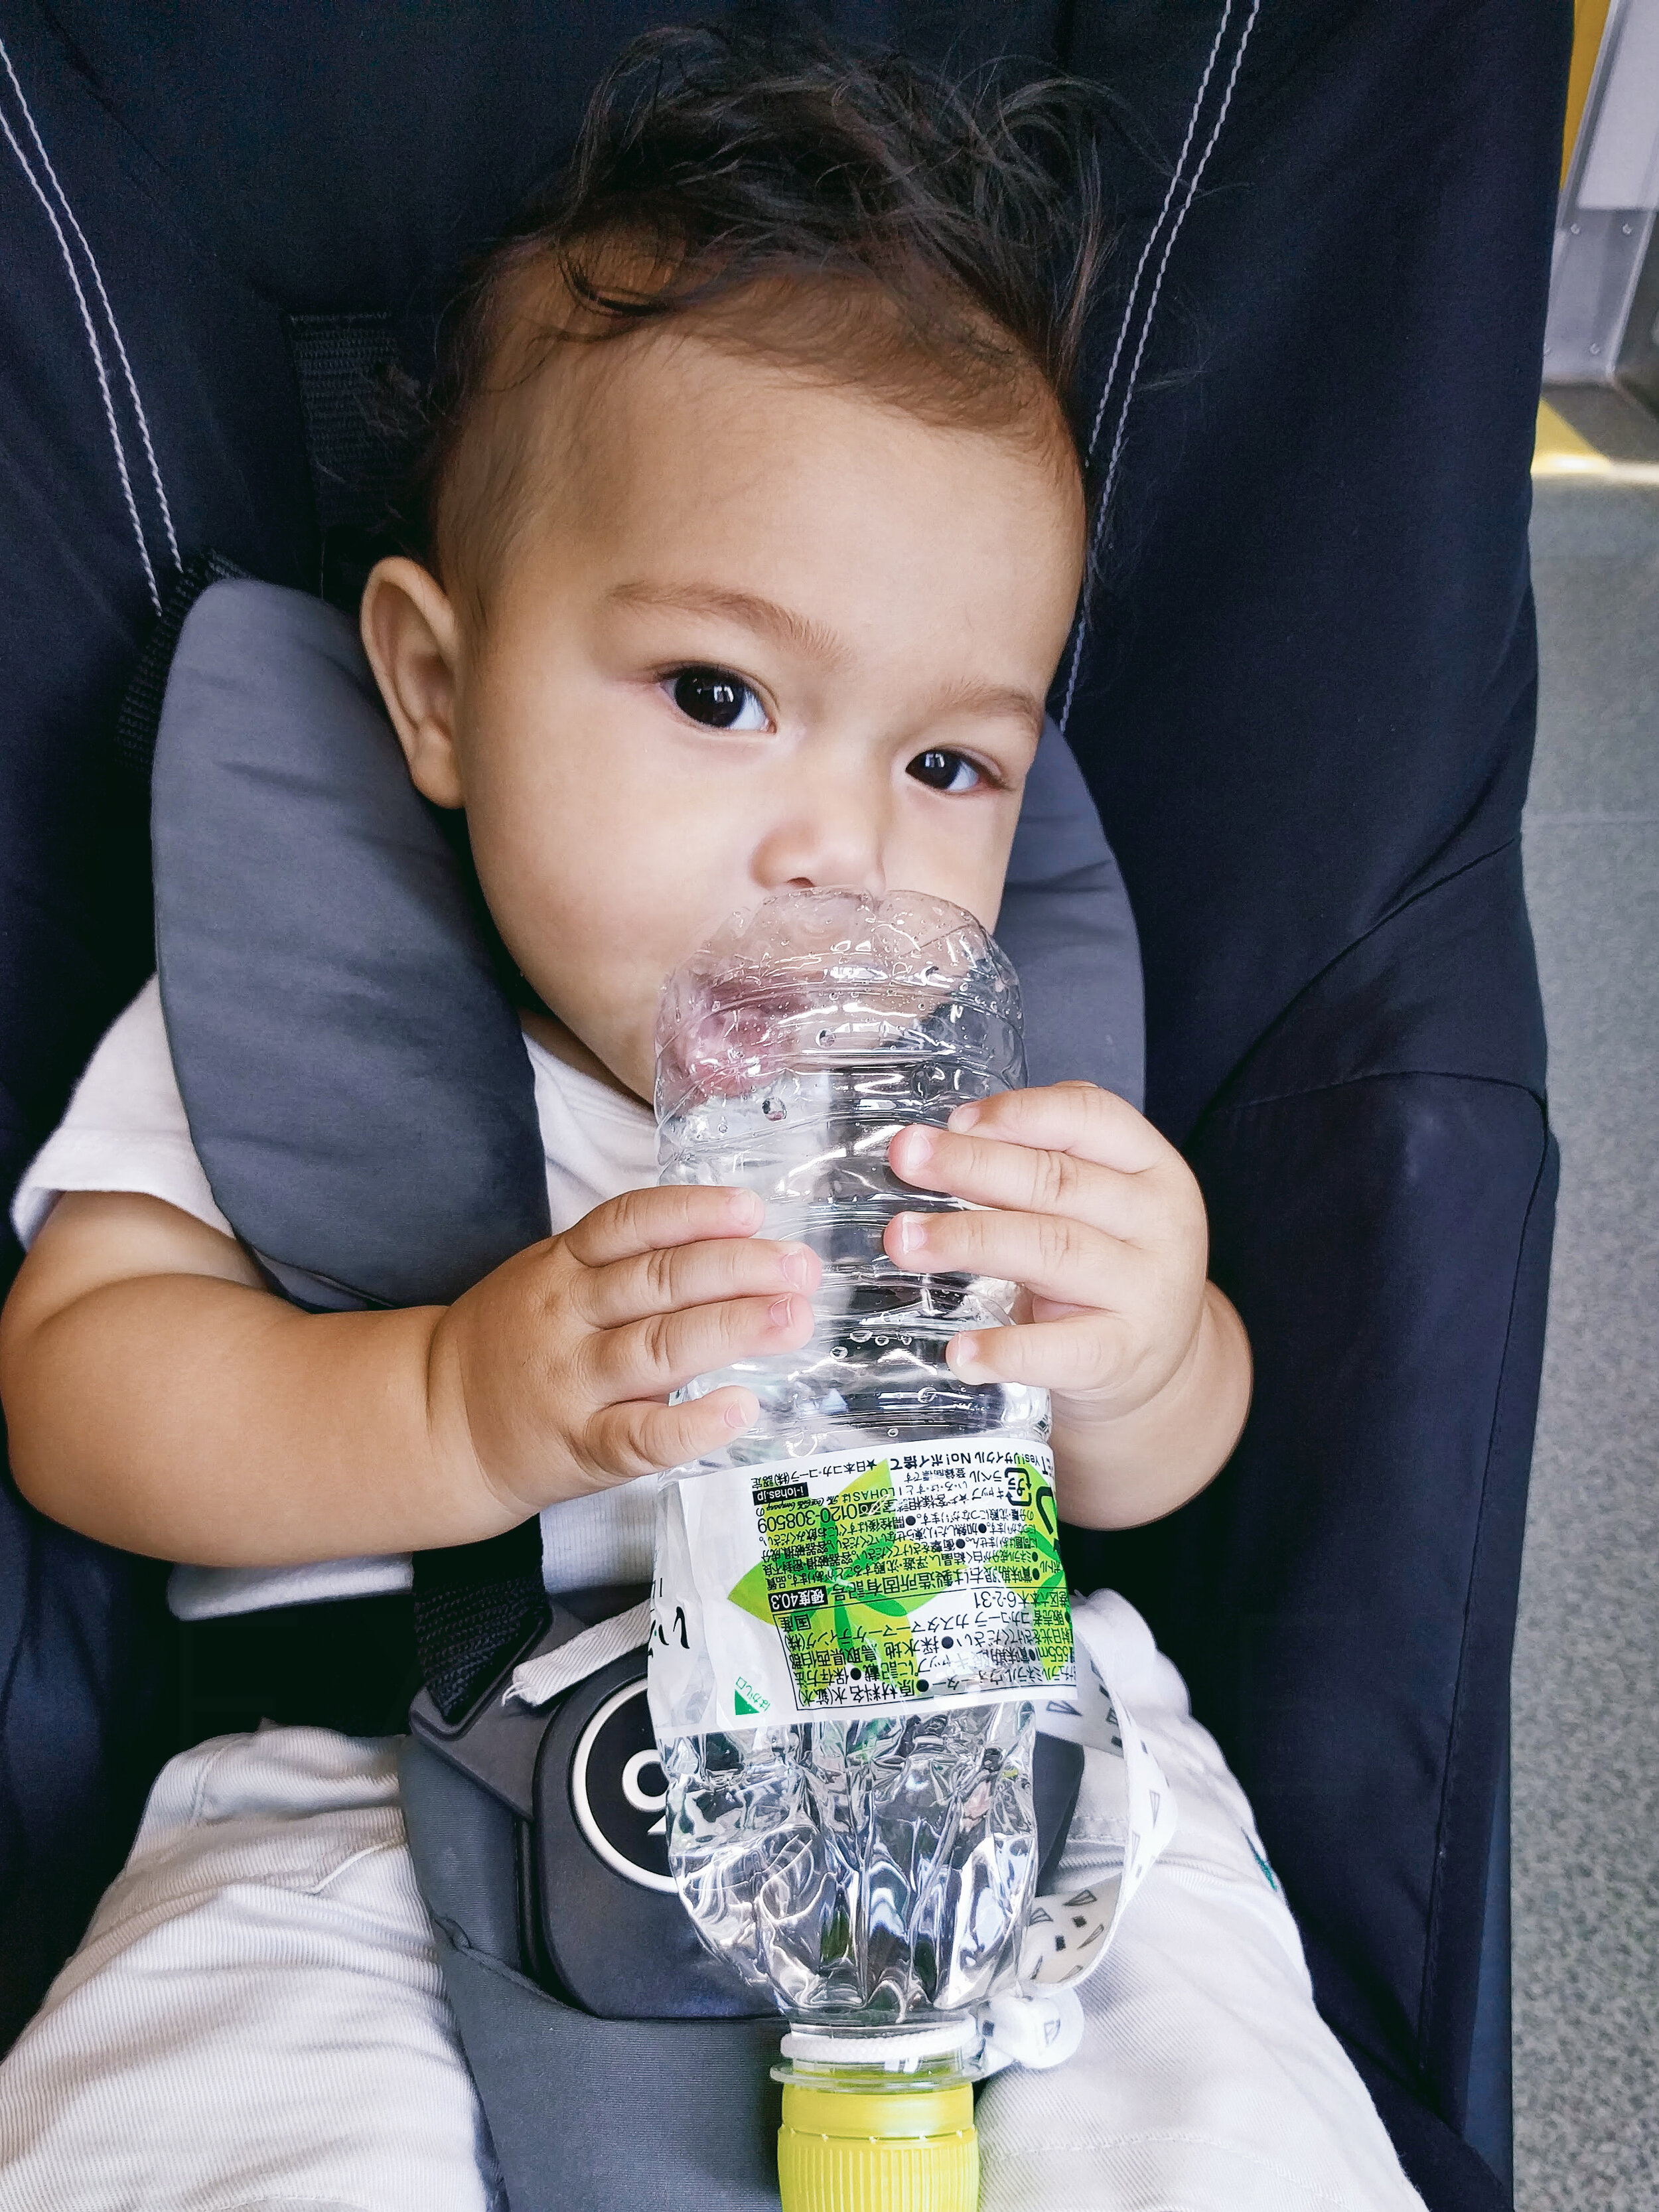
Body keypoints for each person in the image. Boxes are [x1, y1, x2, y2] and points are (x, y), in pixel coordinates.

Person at [0, 24, 1424, 2211]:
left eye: (946, 766)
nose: (835, 848)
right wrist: (454, 1399)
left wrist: (1151, 1349)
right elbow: (80, 1391)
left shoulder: (988, 1100)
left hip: (987, 1784)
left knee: (1223, 2107)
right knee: (217, 2132)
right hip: (383, 1796)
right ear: (439, 688)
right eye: (718, 699)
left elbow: (1155, 1475)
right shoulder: (310, 1028)